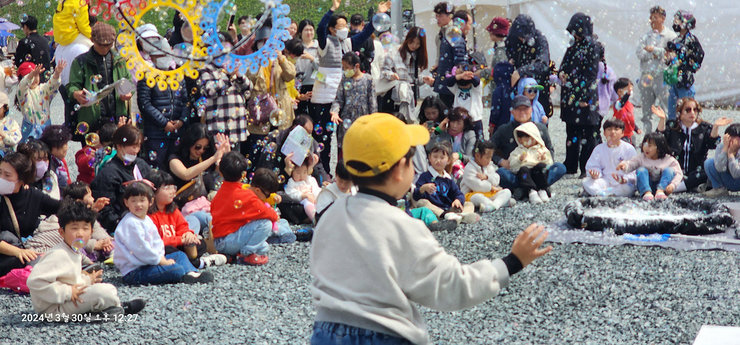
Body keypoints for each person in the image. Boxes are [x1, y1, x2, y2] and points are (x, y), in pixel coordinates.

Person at [310, 112, 552, 344]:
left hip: (325, 333)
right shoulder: (402, 226)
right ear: (398, 171)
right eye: (411, 159)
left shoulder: (331, 217)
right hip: (385, 335)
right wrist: (511, 263)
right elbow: (451, 284)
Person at [27, 200, 146, 320]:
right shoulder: (59, 254)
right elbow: (34, 281)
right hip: (53, 310)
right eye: (74, 228)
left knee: (108, 289)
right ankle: (113, 309)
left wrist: (88, 280)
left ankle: (112, 307)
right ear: (62, 232)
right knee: (104, 292)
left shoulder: (73, 251)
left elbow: (71, 281)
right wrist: (67, 292)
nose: (80, 234)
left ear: (91, 233)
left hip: (64, 302)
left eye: (85, 229)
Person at [311, 0, 389, 173]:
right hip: (324, 97)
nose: (345, 28)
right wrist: (332, 10)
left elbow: (365, 34)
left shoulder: (346, 43)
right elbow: (320, 28)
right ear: (332, 29)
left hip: (341, 97)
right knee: (323, 136)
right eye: (341, 26)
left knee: (342, 137)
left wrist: (377, 14)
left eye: (346, 25)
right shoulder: (325, 43)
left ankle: (342, 170)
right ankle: (322, 171)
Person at [114, 181, 213, 285]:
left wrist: (161, 257)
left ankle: (191, 274)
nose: (138, 204)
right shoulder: (131, 223)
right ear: (126, 202)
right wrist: (162, 261)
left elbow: (156, 242)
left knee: (179, 255)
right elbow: (142, 250)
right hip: (134, 271)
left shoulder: (146, 219)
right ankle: (184, 274)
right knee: (176, 270)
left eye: (142, 200)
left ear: (150, 201)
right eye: (133, 201)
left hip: (150, 262)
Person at [211, 153, 283, 265]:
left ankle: (233, 255)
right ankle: (246, 255)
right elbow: (269, 214)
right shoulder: (246, 195)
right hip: (228, 240)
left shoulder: (220, 191)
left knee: (264, 247)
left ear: (220, 171)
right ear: (243, 174)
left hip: (219, 241)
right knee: (266, 224)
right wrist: (275, 215)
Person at [147, 169, 226, 269]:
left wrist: (188, 234)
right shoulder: (149, 215)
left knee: (200, 245)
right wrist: (181, 239)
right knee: (168, 249)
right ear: (153, 191)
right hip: (162, 248)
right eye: (167, 188)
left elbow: (183, 226)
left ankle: (187, 263)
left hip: (177, 245)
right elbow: (156, 241)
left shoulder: (173, 210)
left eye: (173, 187)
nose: (172, 191)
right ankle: (198, 263)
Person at [67, 22, 133, 139]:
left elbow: (128, 81)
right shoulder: (81, 61)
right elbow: (72, 85)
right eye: (101, 45)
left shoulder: (119, 60)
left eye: (109, 45)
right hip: (92, 118)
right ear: (92, 40)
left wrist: (128, 93)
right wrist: (76, 94)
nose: (105, 48)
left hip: (117, 116)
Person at [0, 152, 60, 276]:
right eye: (0, 173)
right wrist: (17, 252)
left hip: (27, 250)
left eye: (7, 175)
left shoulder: (33, 196)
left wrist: (86, 205)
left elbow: (60, 207)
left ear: (22, 180)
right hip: (9, 253)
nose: (2, 178)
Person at [559, 13, 604, 178]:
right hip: (571, 93)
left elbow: (591, 74)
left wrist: (585, 97)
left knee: (588, 132)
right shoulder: (574, 46)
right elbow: (563, 65)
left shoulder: (592, 46)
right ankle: (570, 165)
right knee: (572, 130)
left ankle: (587, 167)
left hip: (585, 94)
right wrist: (562, 73)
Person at [653, 99, 731, 192]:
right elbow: (659, 139)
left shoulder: (704, 127)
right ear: (680, 113)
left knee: (708, 168)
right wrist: (662, 119)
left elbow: (713, 144)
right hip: (675, 170)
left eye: (695, 110)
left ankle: (676, 188)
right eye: (688, 110)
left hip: (696, 172)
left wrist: (716, 127)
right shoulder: (672, 126)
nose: (692, 112)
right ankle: (685, 186)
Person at [491, 95, 565, 194]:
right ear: (512, 111)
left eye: (525, 109)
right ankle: (539, 187)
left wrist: (546, 159)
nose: (522, 112)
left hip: (538, 171)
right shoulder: (504, 129)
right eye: (518, 109)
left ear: (531, 110)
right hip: (516, 171)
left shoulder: (540, 128)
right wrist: (500, 161)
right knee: (501, 173)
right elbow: (488, 148)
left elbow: (550, 148)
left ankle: (527, 188)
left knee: (560, 167)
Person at [91, 125, 153, 233]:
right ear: (119, 146)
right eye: (133, 146)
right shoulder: (108, 173)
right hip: (123, 226)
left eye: (138, 146)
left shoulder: (141, 164)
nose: (136, 150)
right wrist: (122, 226)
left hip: (148, 220)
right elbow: (105, 211)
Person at [137, 39, 187, 170]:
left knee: (175, 168)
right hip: (155, 133)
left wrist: (181, 120)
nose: (161, 58)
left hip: (177, 132)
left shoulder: (178, 75)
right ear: (152, 58)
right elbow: (144, 104)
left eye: (164, 55)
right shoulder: (147, 76)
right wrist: (164, 123)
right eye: (158, 55)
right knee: (155, 168)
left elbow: (186, 101)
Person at [200, 33, 252, 150]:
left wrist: (240, 76)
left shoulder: (234, 65)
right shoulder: (207, 68)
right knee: (220, 163)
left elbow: (248, 89)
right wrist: (227, 76)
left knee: (235, 164)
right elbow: (210, 91)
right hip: (219, 127)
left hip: (237, 126)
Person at [413, 141, 478, 224]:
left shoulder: (447, 179)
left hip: (449, 208)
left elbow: (458, 193)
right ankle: (448, 216)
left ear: (448, 160)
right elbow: (415, 196)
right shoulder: (425, 176)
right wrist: (423, 188)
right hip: (435, 211)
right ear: (429, 158)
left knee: (468, 204)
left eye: (442, 158)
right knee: (422, 203)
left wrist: (458, 200)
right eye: (435, 157)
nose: (438, 160)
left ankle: (462, 216)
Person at [636, 6, 677, 133]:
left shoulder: (670, 35)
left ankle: (666, 135)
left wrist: (655, 50)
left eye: (655, 17)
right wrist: (652, 54)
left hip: (662, 76)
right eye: (650, 18)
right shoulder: (646, 36)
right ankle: (648, 137)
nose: (652, 21)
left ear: (663, 19)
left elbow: (671, 55)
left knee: (666, 106)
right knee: (646, 111)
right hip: (646, 75)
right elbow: (639, 53)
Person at [379, 26, 432, 120]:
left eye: (418, 43)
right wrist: (391, 75)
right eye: (412, 42)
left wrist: (423, 79)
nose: (414, 46)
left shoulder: (417, 56)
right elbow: (383, 71)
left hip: (408, 97)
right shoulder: (394, 51)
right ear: (407, 39)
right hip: (392, 97)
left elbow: (414, 80)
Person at [330, 52, 377, 157]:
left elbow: (373, 103)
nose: (345, 70)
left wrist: (374, 120)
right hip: (346, 119)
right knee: (345, 152)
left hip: (363, 120)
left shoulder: (368, 80)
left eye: (347, 67)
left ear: (357, 66)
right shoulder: (345, 79)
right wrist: (335, 112)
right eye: (343, 67)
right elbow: (338, 99)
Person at [505, 14, 551, 115]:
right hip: (520, 89)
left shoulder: (539, 39)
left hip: (538, 87)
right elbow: (508, 50)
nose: (522, 39)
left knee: (539, 119)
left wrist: (521, 71)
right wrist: (510, 60)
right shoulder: (512, 38)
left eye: (524, 37)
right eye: (520, 37)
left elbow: (543, 64)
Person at [616, 132, 683, 201]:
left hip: (663, 187)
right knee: (641, 170)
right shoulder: (641, 157)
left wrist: (673, 185)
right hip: (646, 185)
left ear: (659, 148)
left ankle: (660, 191)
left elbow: (679, 173)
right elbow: (632, 163)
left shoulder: (669, 159)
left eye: (649, 145)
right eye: (644, 144)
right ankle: (646, 192)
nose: (646, 148)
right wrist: (625, 165)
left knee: (669, 170)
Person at [663, 10, 703, 120]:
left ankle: (687, 133)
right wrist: (668, 57)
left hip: (685, 81)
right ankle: (672, 131)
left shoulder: (691, 40)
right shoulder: (676, 39)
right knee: (672, 112)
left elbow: (699, 55)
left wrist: (691, 67)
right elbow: (671, 59)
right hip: (674, 80)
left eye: (678, 20)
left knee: (687, 110)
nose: (675, 22)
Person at [582, 118, 637, 197]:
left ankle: (604, 194)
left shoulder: (629, 148)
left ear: (622, 133)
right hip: (605, 180)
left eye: (616, 129)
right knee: (586, 181)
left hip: (621, 182)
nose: (612, 132)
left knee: (627, 187)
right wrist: (595, 174)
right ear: (604, 132)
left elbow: (633, 169)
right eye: (609, 129)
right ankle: (606, 194)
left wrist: (625, 179)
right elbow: (593, 165)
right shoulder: (599, 148)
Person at [17, 61, 64, 141]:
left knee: (47, 150)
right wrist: (31, 75)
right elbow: (22, 86)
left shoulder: (43, 88)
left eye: (37, 75)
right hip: (29, 129)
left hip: (45, 127)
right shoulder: (23, 93)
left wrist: (56, 74)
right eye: (31, 77)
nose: (35, 79)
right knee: (29, 151)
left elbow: (52, 86)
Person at [460, 140, 513, 212]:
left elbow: (496, 179)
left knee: (507, 192)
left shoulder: (489, 166)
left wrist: (487, 177)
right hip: (472, 194)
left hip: (489, 193)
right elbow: (477, 186)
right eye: (487, 157)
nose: (489, 160)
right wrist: (491, 187)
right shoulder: (469, 168)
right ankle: (499, 203)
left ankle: (493, 206)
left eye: (491, 157)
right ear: (477, 155)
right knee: (478, 197)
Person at [508, 122, 554, 204]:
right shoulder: (518, 151)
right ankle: (531, 191)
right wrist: (519, 159)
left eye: (527, 137)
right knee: (523, 170)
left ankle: (542, 189)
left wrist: (544, 159)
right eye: (520, 138)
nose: (523, 140)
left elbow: (550, 163)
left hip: (538, 173)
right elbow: (511, 165)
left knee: (542, 166)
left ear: (534, 137)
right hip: (525, 174)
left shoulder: (541, 149)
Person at [446, 64, 483, 139]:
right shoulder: (456, 88)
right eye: (461, 87)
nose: (463, 87)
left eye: (466, 86)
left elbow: (477, 81)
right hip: (459, 120)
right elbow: (448, 82)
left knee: (478, 141)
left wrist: (468, 74)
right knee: (459, 141)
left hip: (474, 119)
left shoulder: (476, 89)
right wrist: (459, 76)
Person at [703, 124, 740, 197]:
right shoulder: (722, 146)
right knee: (709, 163)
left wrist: (731, 155)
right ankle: (719, 189)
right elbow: (719, 168)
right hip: (727, 180)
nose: (731, 141)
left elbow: (736, 174)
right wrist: (725, 150)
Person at [432, 2, 456, 108]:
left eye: (440, 16)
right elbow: (439, 56)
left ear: (449, 16)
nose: (438, 19)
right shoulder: (439, 35)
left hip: (453, 76)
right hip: (442, 75)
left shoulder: (454, 33)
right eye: (436, 16)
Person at [14, 15, 52, 80]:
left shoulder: (24, 42)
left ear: (25, 27)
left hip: (31, 79)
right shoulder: (45, 41)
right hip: (45, 77)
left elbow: (18, 62)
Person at [285, 159, 322, 223]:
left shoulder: (310, 179)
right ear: (292, 172)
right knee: (308, 205)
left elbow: (316, 189)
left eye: (304, 172)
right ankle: (315, 219)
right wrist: (302, 195)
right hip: (303, 200)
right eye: (298, 173)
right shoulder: (292, 182)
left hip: (314, 198)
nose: (301, 176)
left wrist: (316, 196)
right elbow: (290, 192)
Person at [295, 19, 319, 116]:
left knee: (315, 116)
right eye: (306, 30)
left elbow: (322, 68)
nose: (309, 32)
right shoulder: (297, 46)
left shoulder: (319, 47)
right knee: (300, 117)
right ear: (300, 32)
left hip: (315, 85)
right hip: (299, 86)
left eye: (311, 30)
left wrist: (312, 59)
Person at [488, 62, 515, 135]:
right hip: (513, 124)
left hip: (500, 125)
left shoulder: (498, 90)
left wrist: (492, 124)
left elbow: (495, 110)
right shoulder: (514, 89)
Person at [612, 78, 641, 145]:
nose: (631, 92)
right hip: (621, 135)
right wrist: (627, 94)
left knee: (632, 151)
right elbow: (621, 103)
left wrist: (636, 128)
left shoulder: (630, 104)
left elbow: (630, 119)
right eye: (628, 90)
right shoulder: (617, 103)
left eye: (631, 90)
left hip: (630, 134)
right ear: (619, 91)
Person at [0, 92, 21, 156]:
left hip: (7, 156)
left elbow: (16, 139)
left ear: (5, 108)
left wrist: (4, 135)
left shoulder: (11, 123)